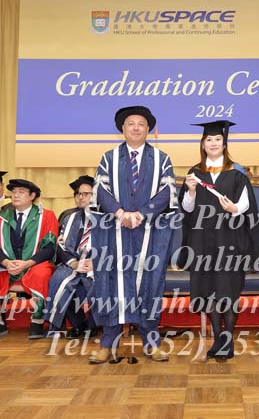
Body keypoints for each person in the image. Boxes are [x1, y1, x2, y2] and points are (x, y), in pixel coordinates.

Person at [89, 106, 176, 363]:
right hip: (115, 232)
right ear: (122, 129)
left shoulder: (161, 158)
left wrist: (141, 214)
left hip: (149, 232)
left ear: (148, 129)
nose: (136, 127)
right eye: (131, 123)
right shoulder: (109, 158)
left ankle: (151, 342)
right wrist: (120, 213)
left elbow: (167, 192)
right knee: (112, 284)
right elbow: (100, 190)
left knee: (149, 282)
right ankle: (108, 343)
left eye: (141, 124)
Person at [179, 120, 259, 360]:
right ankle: (219, 339)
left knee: (228, 292)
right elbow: (186, 208)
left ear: (224, 143)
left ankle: (227, 340)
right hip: (203, 243)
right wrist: (191, 191)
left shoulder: (237, 173)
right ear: (202, 144)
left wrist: (234, 208)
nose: (213, 143)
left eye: (218, 139)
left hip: (230, 241)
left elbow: (247, 205)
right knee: (209, 293)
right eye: (209, 140)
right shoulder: (195, 174)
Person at [0, 178, 58, 340]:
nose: (15, 195)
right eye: (14, 192)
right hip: (8, 266)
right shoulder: (2, 216)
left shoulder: (46, 216)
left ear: (32, 196)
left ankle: (37, 322)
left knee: (42, 274)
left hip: (33, 264)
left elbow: (50, 248)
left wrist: (27, 263)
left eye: (21, 192)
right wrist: (6, 262)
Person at [46, 186, 99, 339]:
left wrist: (96, 263)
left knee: (102, 283)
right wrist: (73, 263)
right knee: (58, 280)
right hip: (73, 263)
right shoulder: (69, 218)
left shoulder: (109, 218)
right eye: (77, 194)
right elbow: (61, 245)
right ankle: (79, 324)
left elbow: (115, 245)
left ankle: (93, 325)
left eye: (85, 194)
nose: (80, 197)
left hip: (99, 264)